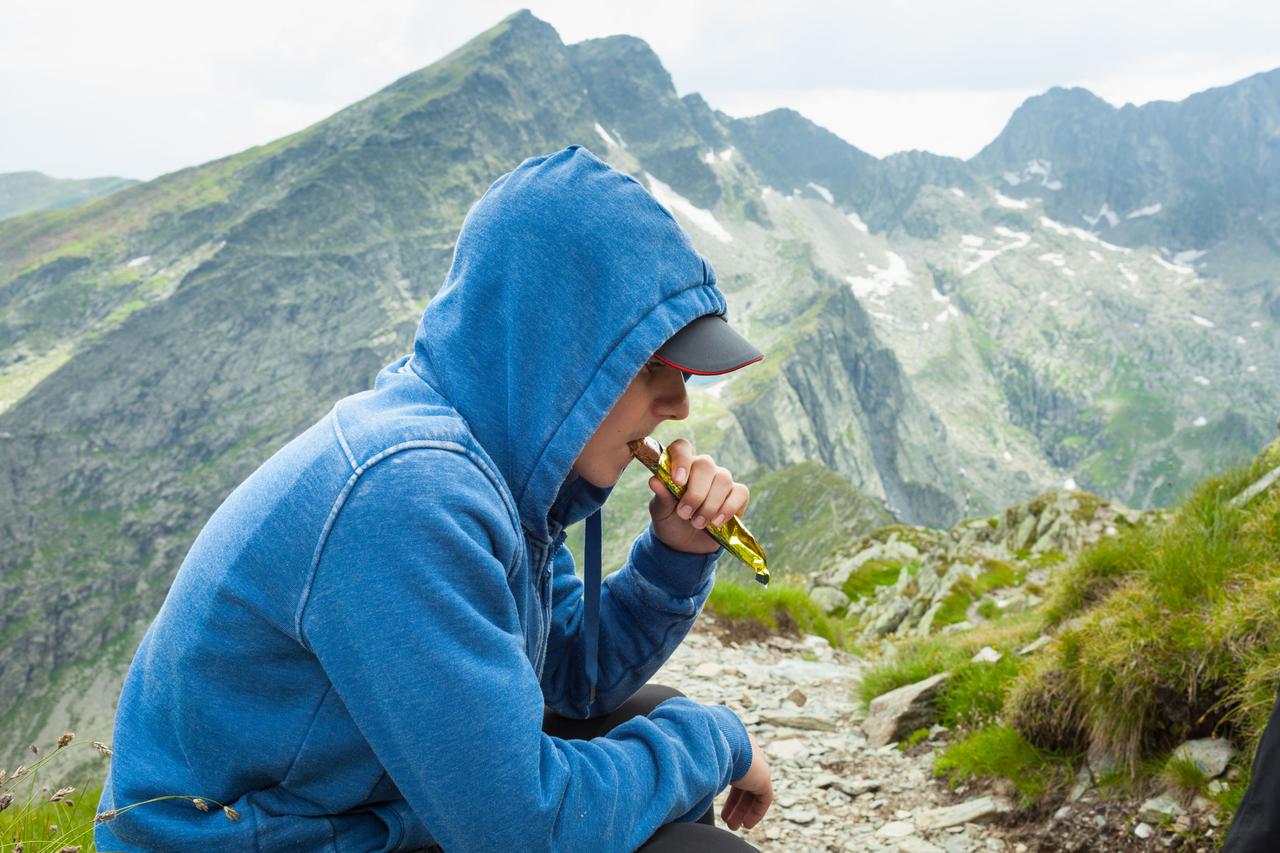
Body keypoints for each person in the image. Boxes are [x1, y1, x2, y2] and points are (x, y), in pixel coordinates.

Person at [96, 144, 774, 852]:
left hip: (341, 809)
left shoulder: (502, 468)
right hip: (242, 840)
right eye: (653, 366)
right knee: (697, 842)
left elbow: (565, 682)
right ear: (556, 354)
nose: (679, 404)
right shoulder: (407, 493)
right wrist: (717, 739)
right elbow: (522, 831)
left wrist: (676, 557)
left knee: (653, 720)